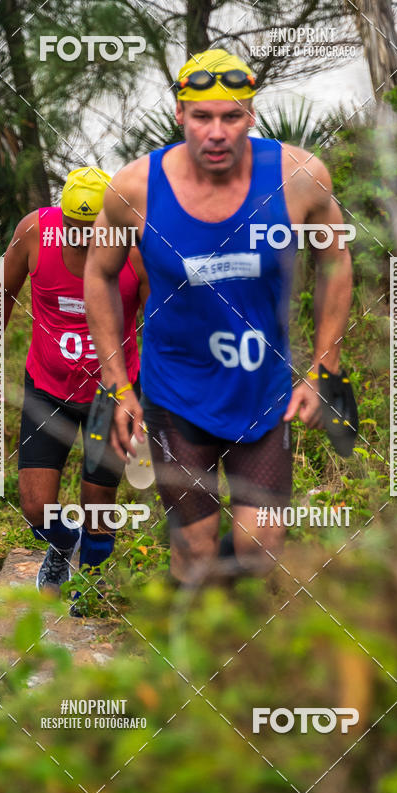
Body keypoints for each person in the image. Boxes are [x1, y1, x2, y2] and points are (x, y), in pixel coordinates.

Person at [84, 49, 353, 587]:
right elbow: (99, 273)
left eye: (232, 116)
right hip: (175, 394)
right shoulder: (135, 189)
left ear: (251, 115)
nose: (217, 132)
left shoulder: (298, 177)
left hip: (264, 388)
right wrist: (116, 385)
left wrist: (326, 366)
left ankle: (241, 650)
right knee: (197, 545)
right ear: (180, 114)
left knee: (261, 544)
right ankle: (191, 663)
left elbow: (336, 260)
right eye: (202, 116)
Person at [3, 167, 149, 600]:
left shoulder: (134, 251)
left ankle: (91, 582)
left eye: (91, 229)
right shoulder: (34, 231)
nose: (81, 238)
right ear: (59, 214)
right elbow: (0, 294)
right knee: (34, 506)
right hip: (48, 387)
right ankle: (65, 543)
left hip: (111, 393)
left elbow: (161, 324)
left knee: (99, 501)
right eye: (72, 226)